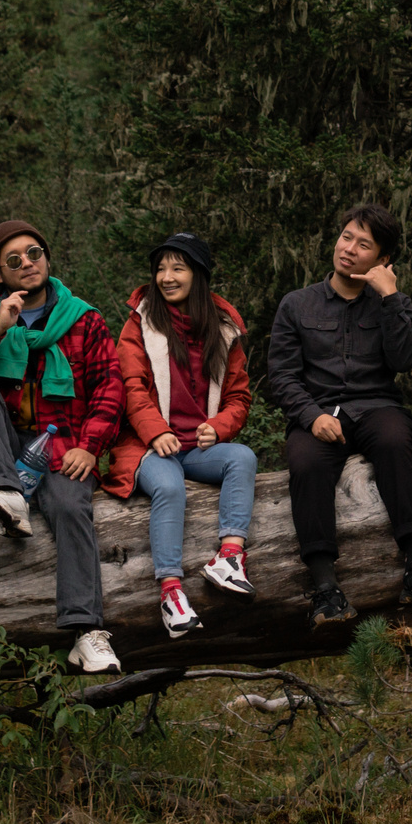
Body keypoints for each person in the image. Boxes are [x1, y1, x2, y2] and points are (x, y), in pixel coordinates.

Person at [0, 218, 124, 673]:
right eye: (13, 260)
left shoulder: (84, 319)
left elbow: (109, 388)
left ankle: (86, 630)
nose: (27, 264)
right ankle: (7, 493)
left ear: (47, 258)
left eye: (34, 253)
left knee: (73, 508)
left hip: (61, 447)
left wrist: (91, 446)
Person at [267, 203, 412, 631]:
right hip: (319, 412)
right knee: (305, 462)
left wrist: (390, 297)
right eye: (347, 237)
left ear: (382, 260)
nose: (349, 249)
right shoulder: (297, 304)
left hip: (377, 406)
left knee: (394, 442)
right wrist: (310, 416)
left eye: (364, 245)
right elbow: (282, 375)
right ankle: (326, 588)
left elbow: (403, 359)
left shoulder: (389, 302)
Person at [103, 233, 260, 638]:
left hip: (195, 448)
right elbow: (132, 385)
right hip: (146, 447)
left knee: (241, 457)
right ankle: (171, 593)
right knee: (170, 486)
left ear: (199, 274)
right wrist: (156, 432)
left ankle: (228, 558)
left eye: (178, 268)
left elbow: (240, 396)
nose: (166, 277)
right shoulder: (140, 322)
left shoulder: (223, 329)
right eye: (160, 268)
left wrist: (220, 426)